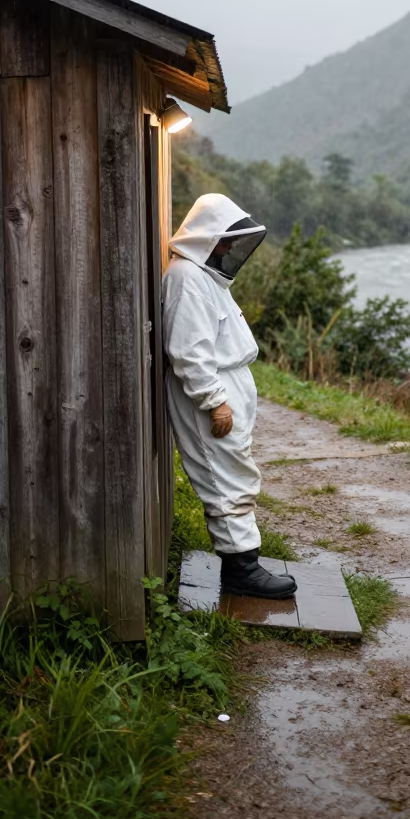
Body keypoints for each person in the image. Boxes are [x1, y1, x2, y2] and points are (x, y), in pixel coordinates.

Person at [162, 193, 297, 600]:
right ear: (206, 236)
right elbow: (189, 350)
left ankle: (244, 563)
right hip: (212, 396)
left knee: (237, 472)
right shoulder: (186, 278)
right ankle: (242, 571)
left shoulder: (204, 277)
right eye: (223, 239)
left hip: (227, 388)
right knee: (225, 480)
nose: (227, 248)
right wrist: (215, 401)